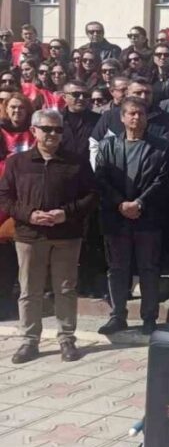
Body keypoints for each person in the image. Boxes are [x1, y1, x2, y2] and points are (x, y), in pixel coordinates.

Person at [0, 109, 97, 364]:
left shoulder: (76, 162)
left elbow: (91, 196)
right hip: (29, 236)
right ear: (34, 131)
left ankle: (66, 338)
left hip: (66, 235)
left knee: (65, 289)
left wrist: (65, 214)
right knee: (29, 290)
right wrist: (29, 214)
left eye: (58, 130)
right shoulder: (17, 163)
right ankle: (29, 341)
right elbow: (5, 197)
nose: (53, 134)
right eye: (47, 129)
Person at [94, 99, 169, 336]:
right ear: (122, 117)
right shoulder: (108, 146)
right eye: (131, 114)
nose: (136, 118)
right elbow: (101, 178)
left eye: (140, 113)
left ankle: (149, 317)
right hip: (116, 219)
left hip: (147, 217)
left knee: (149, 269)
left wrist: (139, 202)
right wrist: (120, 204)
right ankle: (117, 316)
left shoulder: (160, 146)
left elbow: (161, 179)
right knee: (117, 269)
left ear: (147, 117)